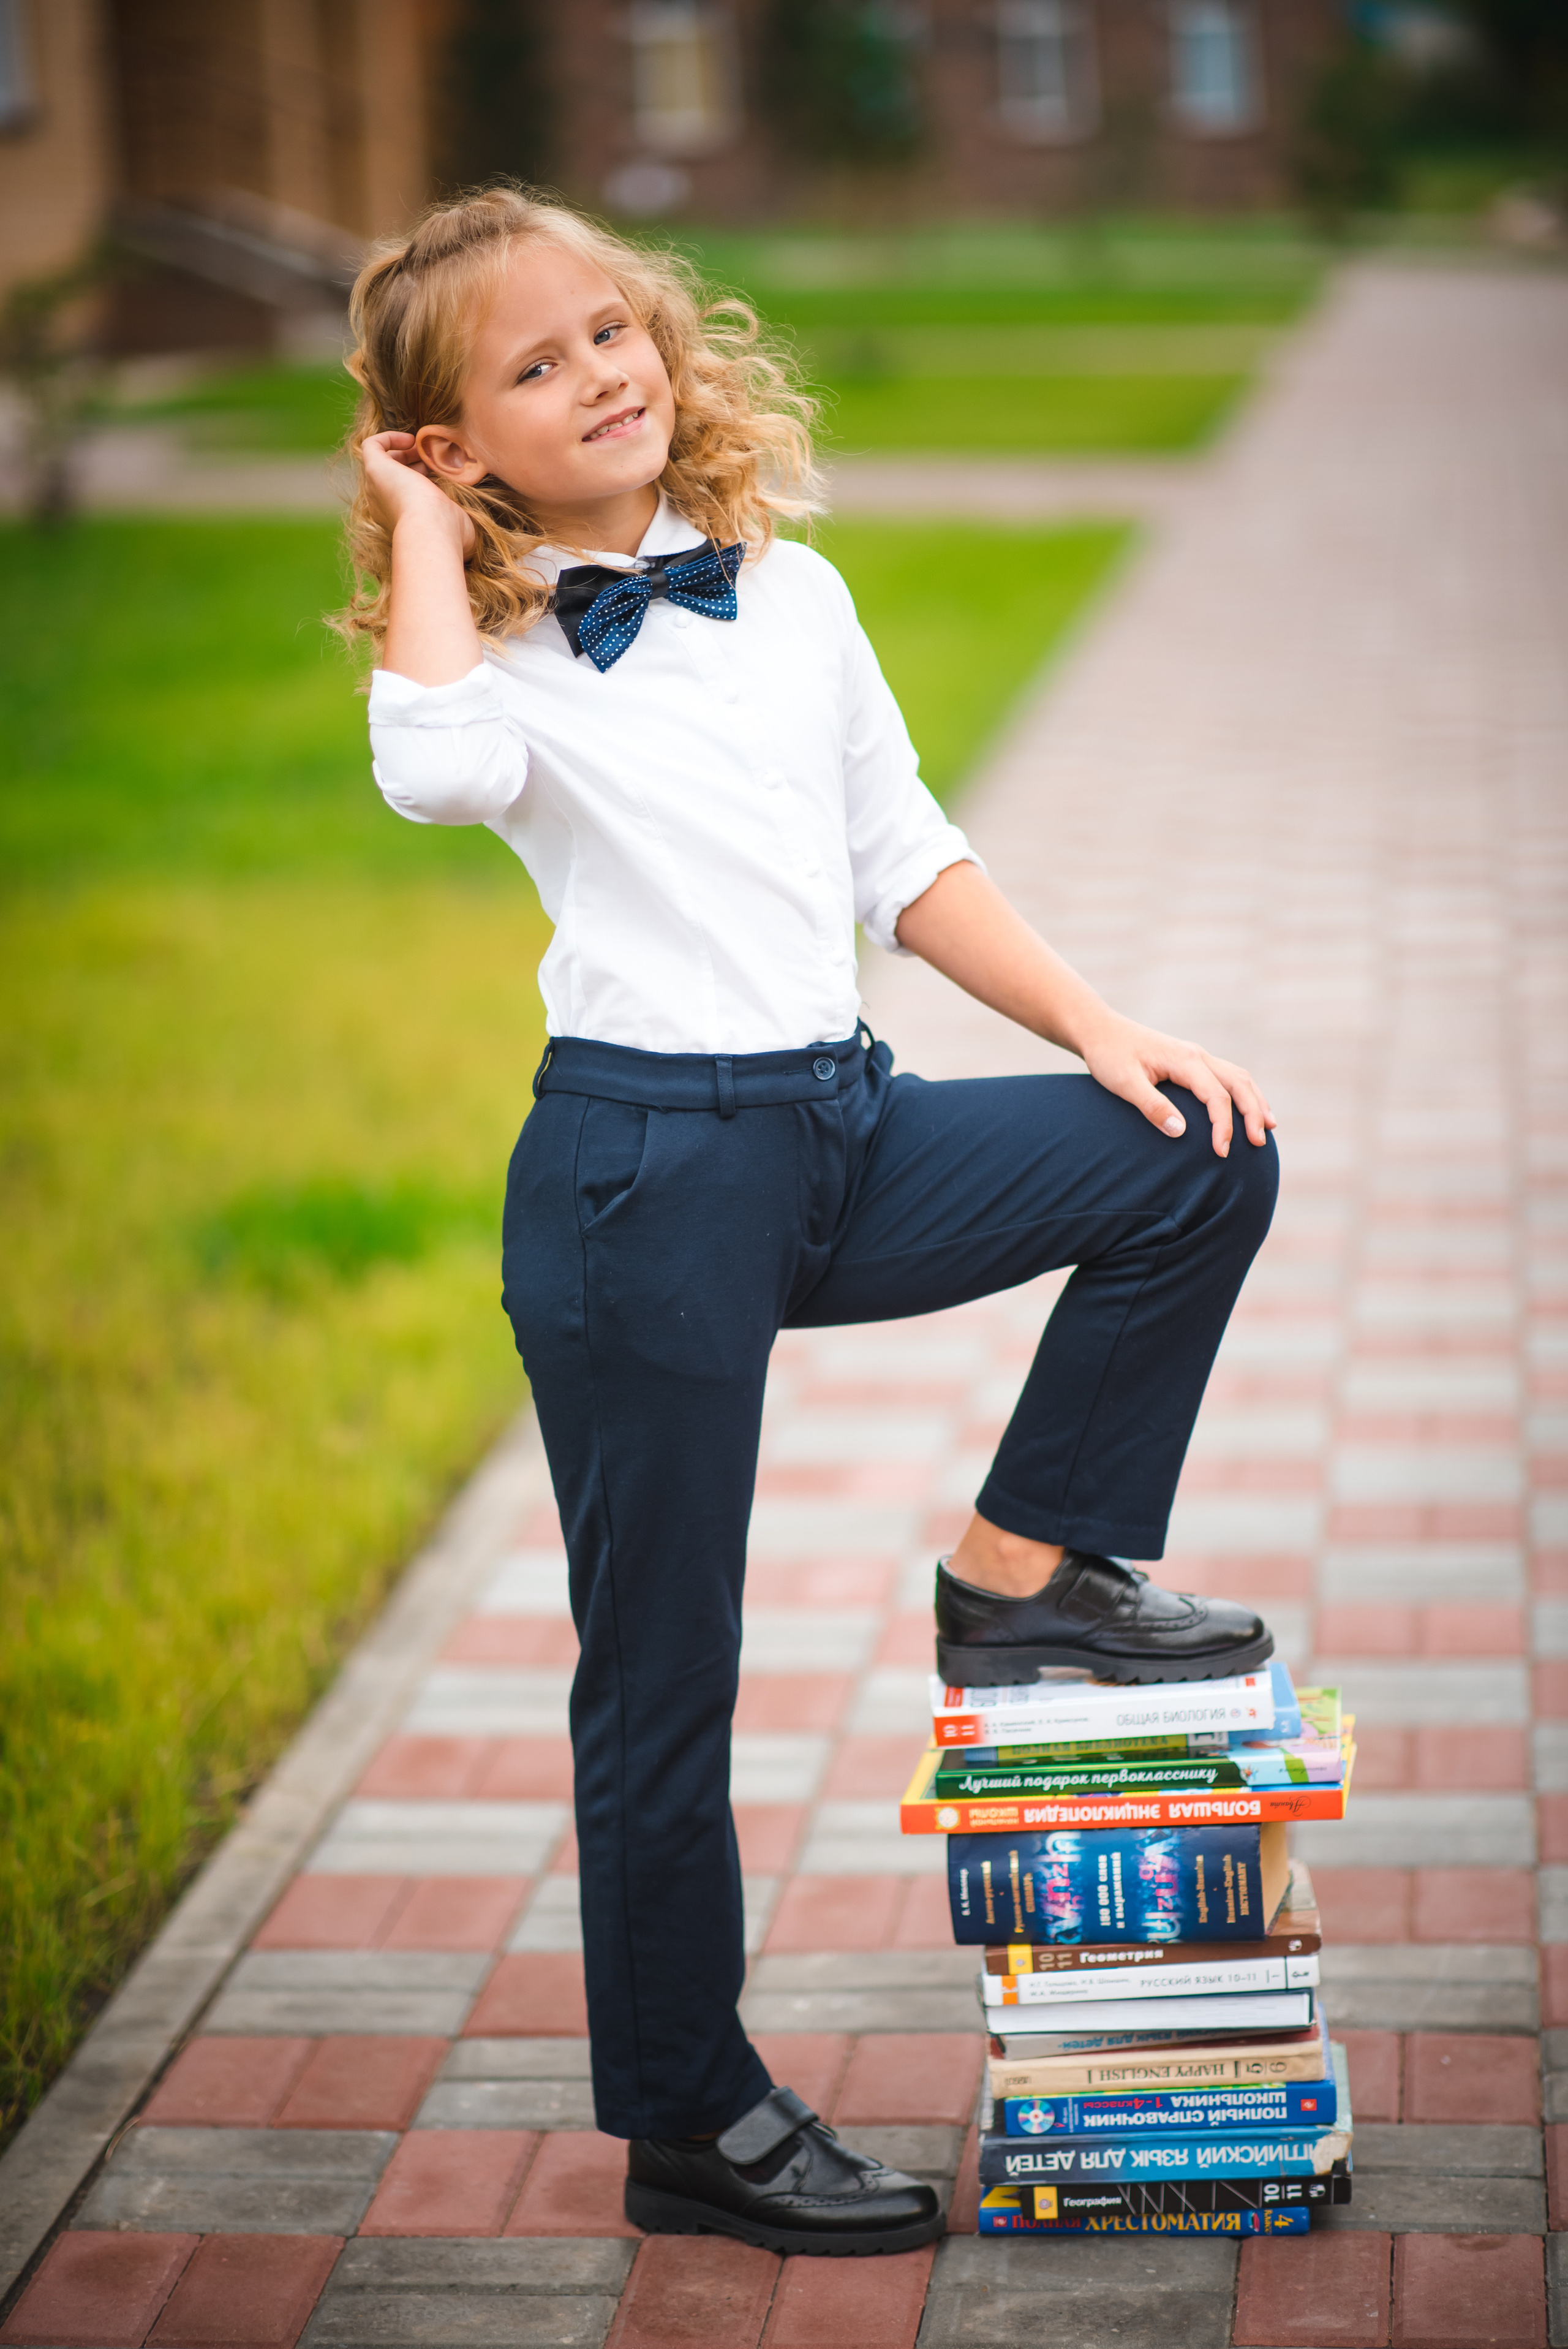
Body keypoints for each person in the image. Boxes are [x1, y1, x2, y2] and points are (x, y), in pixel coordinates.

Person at [339, 184, 1280, 2255]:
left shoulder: (801, 594)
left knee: (1203, 1154)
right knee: (663, 1671)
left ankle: (1022, 1573)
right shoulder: (491, 644)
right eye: (533, 364)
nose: (602, 374)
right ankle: (691, 2111)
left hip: (844, 1133)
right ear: (456, 440)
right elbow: (423, 772)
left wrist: (1104, 1027)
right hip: (642, 1186)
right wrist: (421, 539)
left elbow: (906, 859)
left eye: (613, 329)